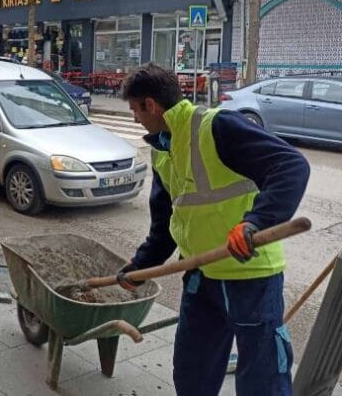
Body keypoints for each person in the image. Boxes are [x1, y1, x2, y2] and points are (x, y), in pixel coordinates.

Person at [116, 62, 310, 396]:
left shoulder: (216, 126)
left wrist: (254, 222)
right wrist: (140, 268)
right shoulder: (163, 150)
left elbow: (291, 166)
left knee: (261, 379)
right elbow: (165, 225)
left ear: (151, 105)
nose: (135, 118)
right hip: (201, 276)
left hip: (250, 278)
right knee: (193, 371)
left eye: (135, 110)